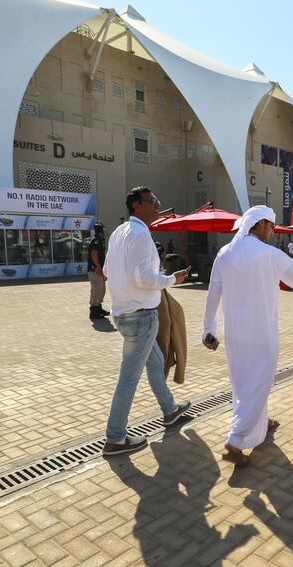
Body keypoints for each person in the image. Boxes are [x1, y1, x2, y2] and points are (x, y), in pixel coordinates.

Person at [202, 205, 293, 465]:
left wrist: (208, 329)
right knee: (259, 381)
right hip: (261, 331)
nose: (272, 230)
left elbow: (213, 293)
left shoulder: (224, 254)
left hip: (234, 333)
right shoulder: (270, 254)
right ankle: (235, 441)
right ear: (257, 225)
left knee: (243, 381)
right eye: (270, 225)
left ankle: (259, 423)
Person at [102, 186, 192, 456]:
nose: (157, 204)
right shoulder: (140, 234)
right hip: (141, 316)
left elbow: (107, 270)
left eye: (156, 200)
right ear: (136, 206)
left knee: (154, 364)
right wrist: (171, 280)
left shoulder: (119, 232)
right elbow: (142, 277)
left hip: (125, 314)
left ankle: (170, 410)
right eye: (152, 201)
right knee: (128, 379)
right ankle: (115, 437)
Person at [88, 222, 109, 320]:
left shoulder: (100, 240)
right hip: (95, 269)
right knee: (96, 289)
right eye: (103, 230)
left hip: (99, 268)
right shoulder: (96, 241)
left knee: (101, 289)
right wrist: (98, 267)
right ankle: (94, 311)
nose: (105, 231)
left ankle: (98, 308)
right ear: (100, 230)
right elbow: (94, 254)